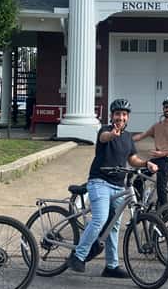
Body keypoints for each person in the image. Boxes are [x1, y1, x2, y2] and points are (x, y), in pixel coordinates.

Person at [68, 98, 158, 277]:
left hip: (118, 186)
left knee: (114, 226)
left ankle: (111, 266)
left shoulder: (128, 137)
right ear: (112, 116)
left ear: (128, 117)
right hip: (99, 182)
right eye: (118, 114)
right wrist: (113, 134)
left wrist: (146, 164)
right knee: (100, 219)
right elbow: (104, 138)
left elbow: (132, 160)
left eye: (124, 115)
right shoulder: (105, 130)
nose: (121, 117)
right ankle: (78, 256)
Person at [132, 96, 168, 208]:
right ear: (163, 108)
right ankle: (142, 205)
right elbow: (142, 136)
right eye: (166, 107)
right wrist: (124, 139)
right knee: (138, 179)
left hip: (167, 160)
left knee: (161, 188)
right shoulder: (157, 126)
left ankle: (165, 217)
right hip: (156, 159)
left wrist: (163, 153)